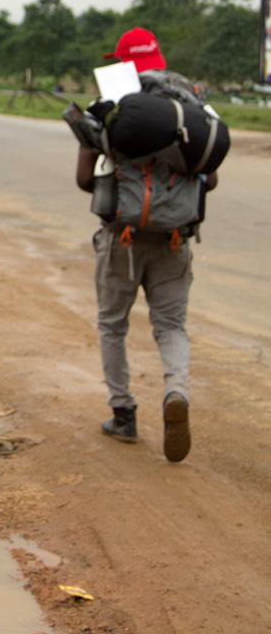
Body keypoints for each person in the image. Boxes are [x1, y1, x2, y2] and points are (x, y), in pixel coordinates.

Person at [75, 28, 218, 462]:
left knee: (112, 324)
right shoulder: (189, 103)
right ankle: (176, 390)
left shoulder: (111, 105)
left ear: (121, 63)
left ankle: (124, 415)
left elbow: (84, 180)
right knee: (171, 327)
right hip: (174, 240)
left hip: (123, 238)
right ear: (158, 58)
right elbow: (209, 177)